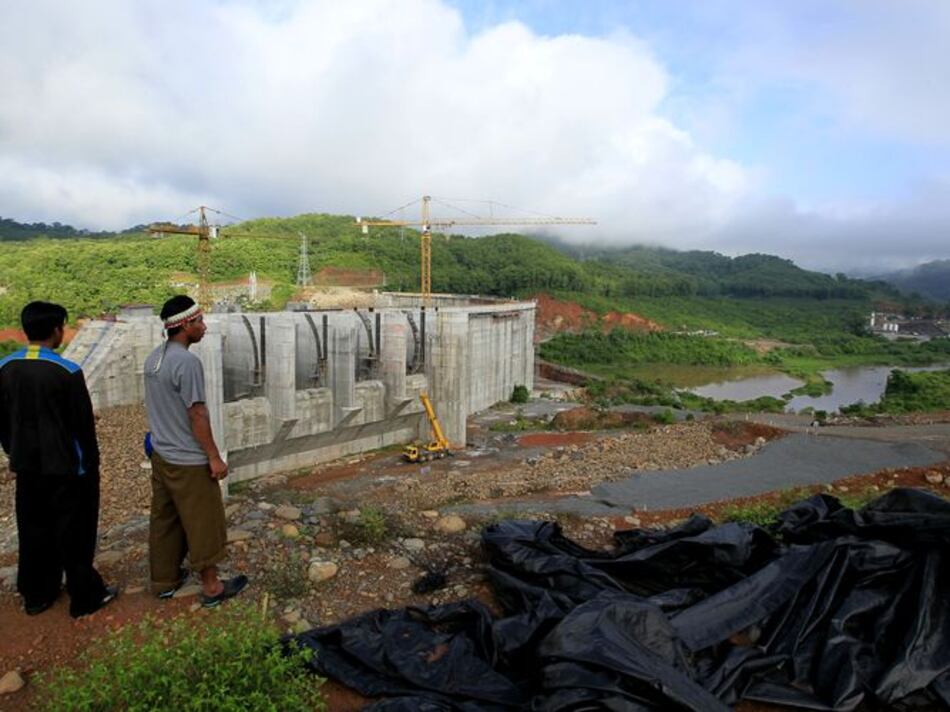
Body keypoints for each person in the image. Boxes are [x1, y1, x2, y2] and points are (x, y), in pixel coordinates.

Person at [0, 301, 117, 617]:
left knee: (33, 527)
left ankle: (37, 594)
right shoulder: (66, 371)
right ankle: (85, 596)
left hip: (27, 466)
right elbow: (82, 426)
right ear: (56, 330)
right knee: (74, 531)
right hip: (65, 468)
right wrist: (90, 465)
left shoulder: (6, 367)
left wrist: (13, 449)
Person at [144, 295, 247, 607]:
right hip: (188, 460)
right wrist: (214, 457)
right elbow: (197, 414)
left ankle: (164, 581)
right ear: (185, 326)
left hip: (162, 455)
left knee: (165, 519)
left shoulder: (154, 358)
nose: (204, 326)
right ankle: (213, 587)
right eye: (199, 321)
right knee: (203, 521)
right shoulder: (187, 363)